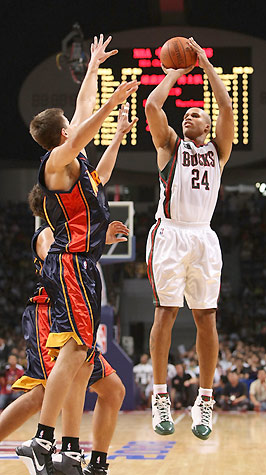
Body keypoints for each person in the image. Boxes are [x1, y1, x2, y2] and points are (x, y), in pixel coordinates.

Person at [16, 33, 138, 475]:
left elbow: (85, 118)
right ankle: (45, 440)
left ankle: (73, 452)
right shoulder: (54, 161)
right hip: (69, 263)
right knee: (77, 346)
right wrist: (113, 104)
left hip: (84, 263)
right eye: (72, 125)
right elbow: (86, 121)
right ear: (63, 134)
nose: (78, 123)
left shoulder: (77, 164)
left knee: (86, 357)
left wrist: (93, 70)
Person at [6, 181, 128, 474]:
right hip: (50, 315)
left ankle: (94, 464)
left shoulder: (76, 237)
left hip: (75, 319)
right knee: (39, 396)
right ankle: (65, 449)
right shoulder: (49, 235)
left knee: (113, 390)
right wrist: (96, 236)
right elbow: (58, 264)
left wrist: (98, 238)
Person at [145, 37, 234, 440]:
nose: (188, 118)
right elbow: (152, 107)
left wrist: (207, 65)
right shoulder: (170, 146)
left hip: (203, 237)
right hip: (170, 233)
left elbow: (227, 108)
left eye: (196, 114)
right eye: (186, 115)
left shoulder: (218, 150)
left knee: (206, 318)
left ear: (206, 124)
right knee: (166, 313)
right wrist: (176, 73)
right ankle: (160, 395)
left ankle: (205, 400)